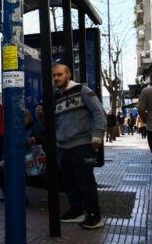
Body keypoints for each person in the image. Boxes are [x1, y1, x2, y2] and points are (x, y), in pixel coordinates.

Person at [47, 63, 106, 229]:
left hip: (83, 143)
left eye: (59, 75)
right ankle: (76, 210)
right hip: (63, 146)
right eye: (54, 76)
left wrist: (98, 134)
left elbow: (98, 111)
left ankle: (94, 215)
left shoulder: (83, 90)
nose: (56, 78)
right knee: (68, 181)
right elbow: (55, 122)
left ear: (68, 75)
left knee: (85, 180)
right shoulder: (56, 97)